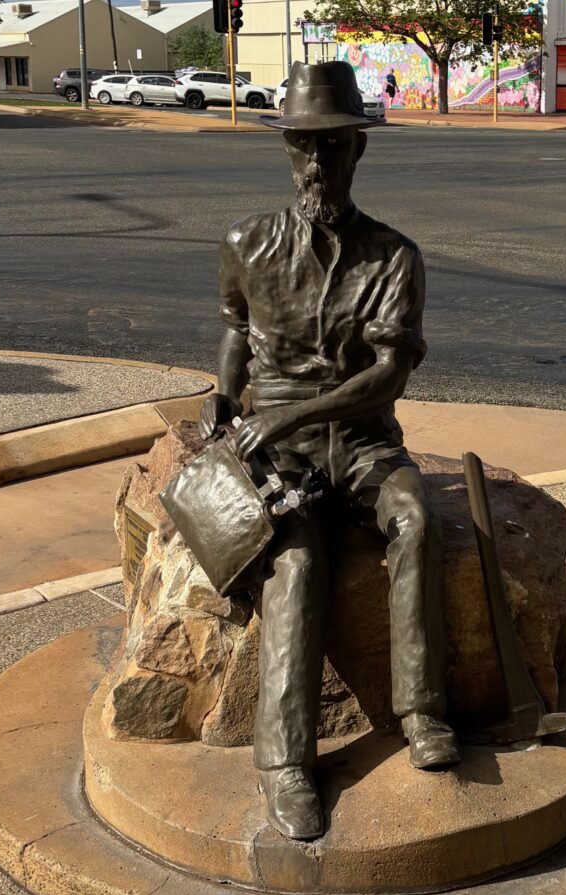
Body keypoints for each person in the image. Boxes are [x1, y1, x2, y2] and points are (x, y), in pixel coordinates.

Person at [199, 61, 459, 842]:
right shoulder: (245, 243)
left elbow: (388, 375)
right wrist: (221, 395)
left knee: (415, 521)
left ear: (357, 150)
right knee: (298, 561)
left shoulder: (392, 257)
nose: (318, 162)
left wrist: (286, 416)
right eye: (305, 147)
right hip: (285, 455)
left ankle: (421, 713)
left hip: (363, 440)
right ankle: (284, 762)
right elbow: (236, 332)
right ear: (287, 151)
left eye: (334, 146)